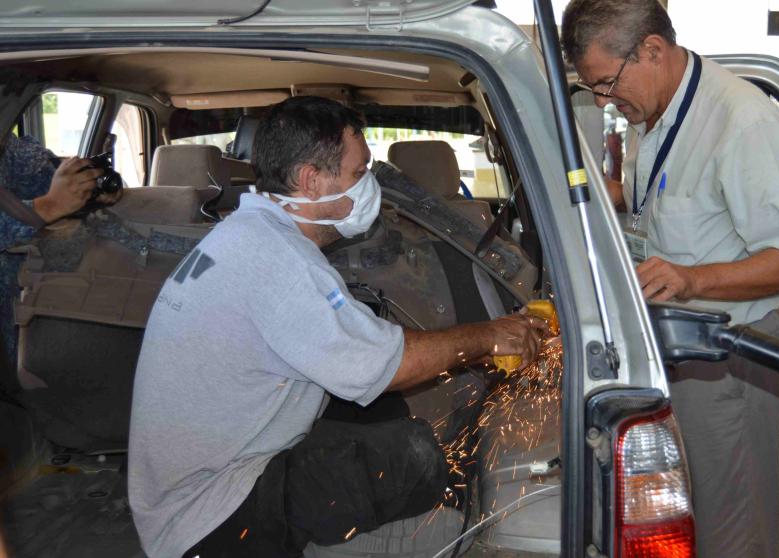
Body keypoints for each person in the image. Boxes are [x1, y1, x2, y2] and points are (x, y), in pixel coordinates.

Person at [127, 96, 547, 558]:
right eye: (359, 172)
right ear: (311, 181)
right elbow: (388, 366)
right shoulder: (278, 260)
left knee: (394, 425)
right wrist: (489, 336)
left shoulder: (247, 234)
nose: (370, 184)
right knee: (434, 495)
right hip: (210, 518)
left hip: (200, 478)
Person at [561, 1, 779, 556]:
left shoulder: (740, 121)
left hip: (727, 364)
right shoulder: (652, 113)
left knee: (732, 530)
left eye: (606, 84)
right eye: (592, 89)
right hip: (672, 354)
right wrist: (610, 197)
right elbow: (672, 205)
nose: (602, 100)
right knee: (682, 518)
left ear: (651, 50)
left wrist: (691, 280)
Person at [0, 134, 105, 389]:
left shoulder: (17, 148)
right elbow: (51, 200)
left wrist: (90, 193)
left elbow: (50, 178)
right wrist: (48, 206)